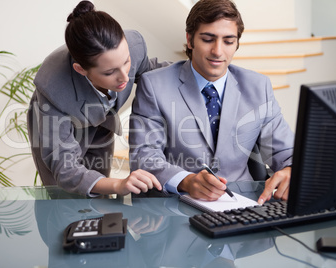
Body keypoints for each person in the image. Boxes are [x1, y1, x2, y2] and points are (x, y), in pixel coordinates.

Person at [129, 0, 294, 205]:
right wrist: (186, 181)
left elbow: (286, 151)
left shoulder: (258, 87)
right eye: (208, 39)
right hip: (177, 205)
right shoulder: (154, 85)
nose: (218, 51)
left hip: (244, 203)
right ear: (190, 40)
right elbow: (143, 156)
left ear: (237, 43)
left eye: (228, 41)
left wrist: (290, 169)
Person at [27, 1, 167, 196]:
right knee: (64, 196)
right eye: (110, 72)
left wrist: (193, 68)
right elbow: (65, 169)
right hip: (62, 122)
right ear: (81, 70)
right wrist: (119, 185)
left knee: (100, 191)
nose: (125, 77)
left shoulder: (134, 46)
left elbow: (153, 72)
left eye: (126, 62)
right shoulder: (52, 89)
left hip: (103, 121)